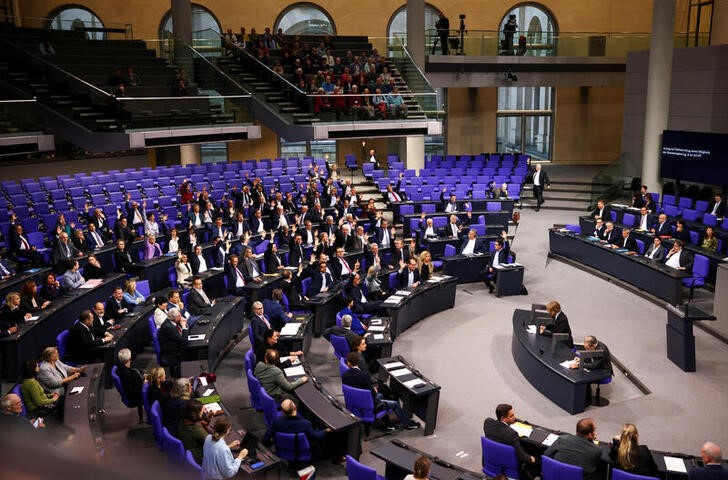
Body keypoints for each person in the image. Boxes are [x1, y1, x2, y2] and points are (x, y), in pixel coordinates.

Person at [342, 352, 420, 430]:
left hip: (353, 403)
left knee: (381, 396)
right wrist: (374, 390)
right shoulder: (364, 376)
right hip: (368, 405)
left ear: (348, 363)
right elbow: (373, 394)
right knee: (394, 403)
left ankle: (387, 424)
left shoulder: (345, 375)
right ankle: (408, 424)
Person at [483, 404, 537, 479]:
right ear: (503, 418)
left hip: (491, 460)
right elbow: (522, 456)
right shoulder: (511, 434)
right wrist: (530, 458)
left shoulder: (487, 423)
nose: (514, 417)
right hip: (510, 469)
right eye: (511, 416)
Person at [262, 398, 331, 457]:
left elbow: (265, 440)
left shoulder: (276, 422)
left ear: (282, 411)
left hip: (282, 449)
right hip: (301, 450)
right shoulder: (305, 424)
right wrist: (325, 431)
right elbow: (315, 436)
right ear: (295, 408)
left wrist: (273, 441)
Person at [570, 336, 613, 405]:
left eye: (587, 348)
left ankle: (587, 401)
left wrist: (579, 365)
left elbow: (593, 366)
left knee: (586, 380)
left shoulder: (601, 351)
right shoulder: (595, 346)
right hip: (597, 367)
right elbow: (589, 356)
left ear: (593, 346)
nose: (586, 349)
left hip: (603, 371)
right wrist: (581, 359)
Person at [178, 400, 211, 465]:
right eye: (201, 412)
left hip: (187, 450)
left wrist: (206, 418)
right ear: (197, 414)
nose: (203, 413)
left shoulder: (184, 420)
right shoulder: (196, 430)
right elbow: (211, 440)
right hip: (196, 456)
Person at [158, 307, 188, 379]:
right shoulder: (169, 327)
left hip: (172, 347)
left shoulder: (170, 322)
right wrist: (184, 326)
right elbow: (184, 340)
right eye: (179, 316)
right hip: (171, 353)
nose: (181, 317)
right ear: (175, 318)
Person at [116, 348, 145, 415]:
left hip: (139, 388)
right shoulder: (126, 374)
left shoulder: (124, 367)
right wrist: (144, 385)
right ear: (129, 359)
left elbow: (134, 371)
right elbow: (131, 391)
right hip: (136, 396)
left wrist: (142, 375)